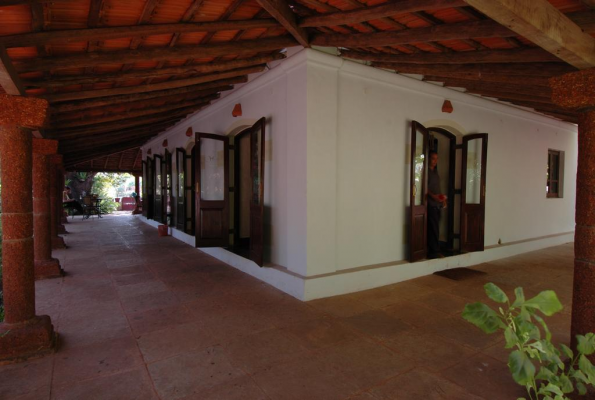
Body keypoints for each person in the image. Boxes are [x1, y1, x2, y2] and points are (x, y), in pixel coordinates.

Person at [427, 151, 447, 259]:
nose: (435, 161)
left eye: (436, 159)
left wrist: (442, 199)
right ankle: (434, 252)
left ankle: (433, 250)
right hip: (430, 204)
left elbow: (437, 187)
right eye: (433, 158)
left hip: (437, 203)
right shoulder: (426, 172)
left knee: (436, 228)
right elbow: (423, 186)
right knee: (433, 228)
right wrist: (433, 196)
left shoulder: (435, 172)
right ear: (429, 159)